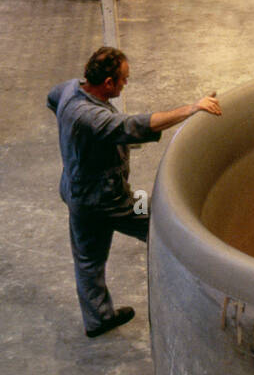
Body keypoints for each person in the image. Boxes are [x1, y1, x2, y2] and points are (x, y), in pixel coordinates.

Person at [47, 46, 222, 337]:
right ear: (108, 84)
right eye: (124, 80)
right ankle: (199, 298)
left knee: (88, 260)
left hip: (77, 193)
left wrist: (80, 144)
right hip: (110, 200)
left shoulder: (69, 90)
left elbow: (51, 99)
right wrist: (192, 108)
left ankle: (98, 319)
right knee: (160, 222)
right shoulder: (91, 117)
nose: (126, 83)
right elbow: (134, 125)